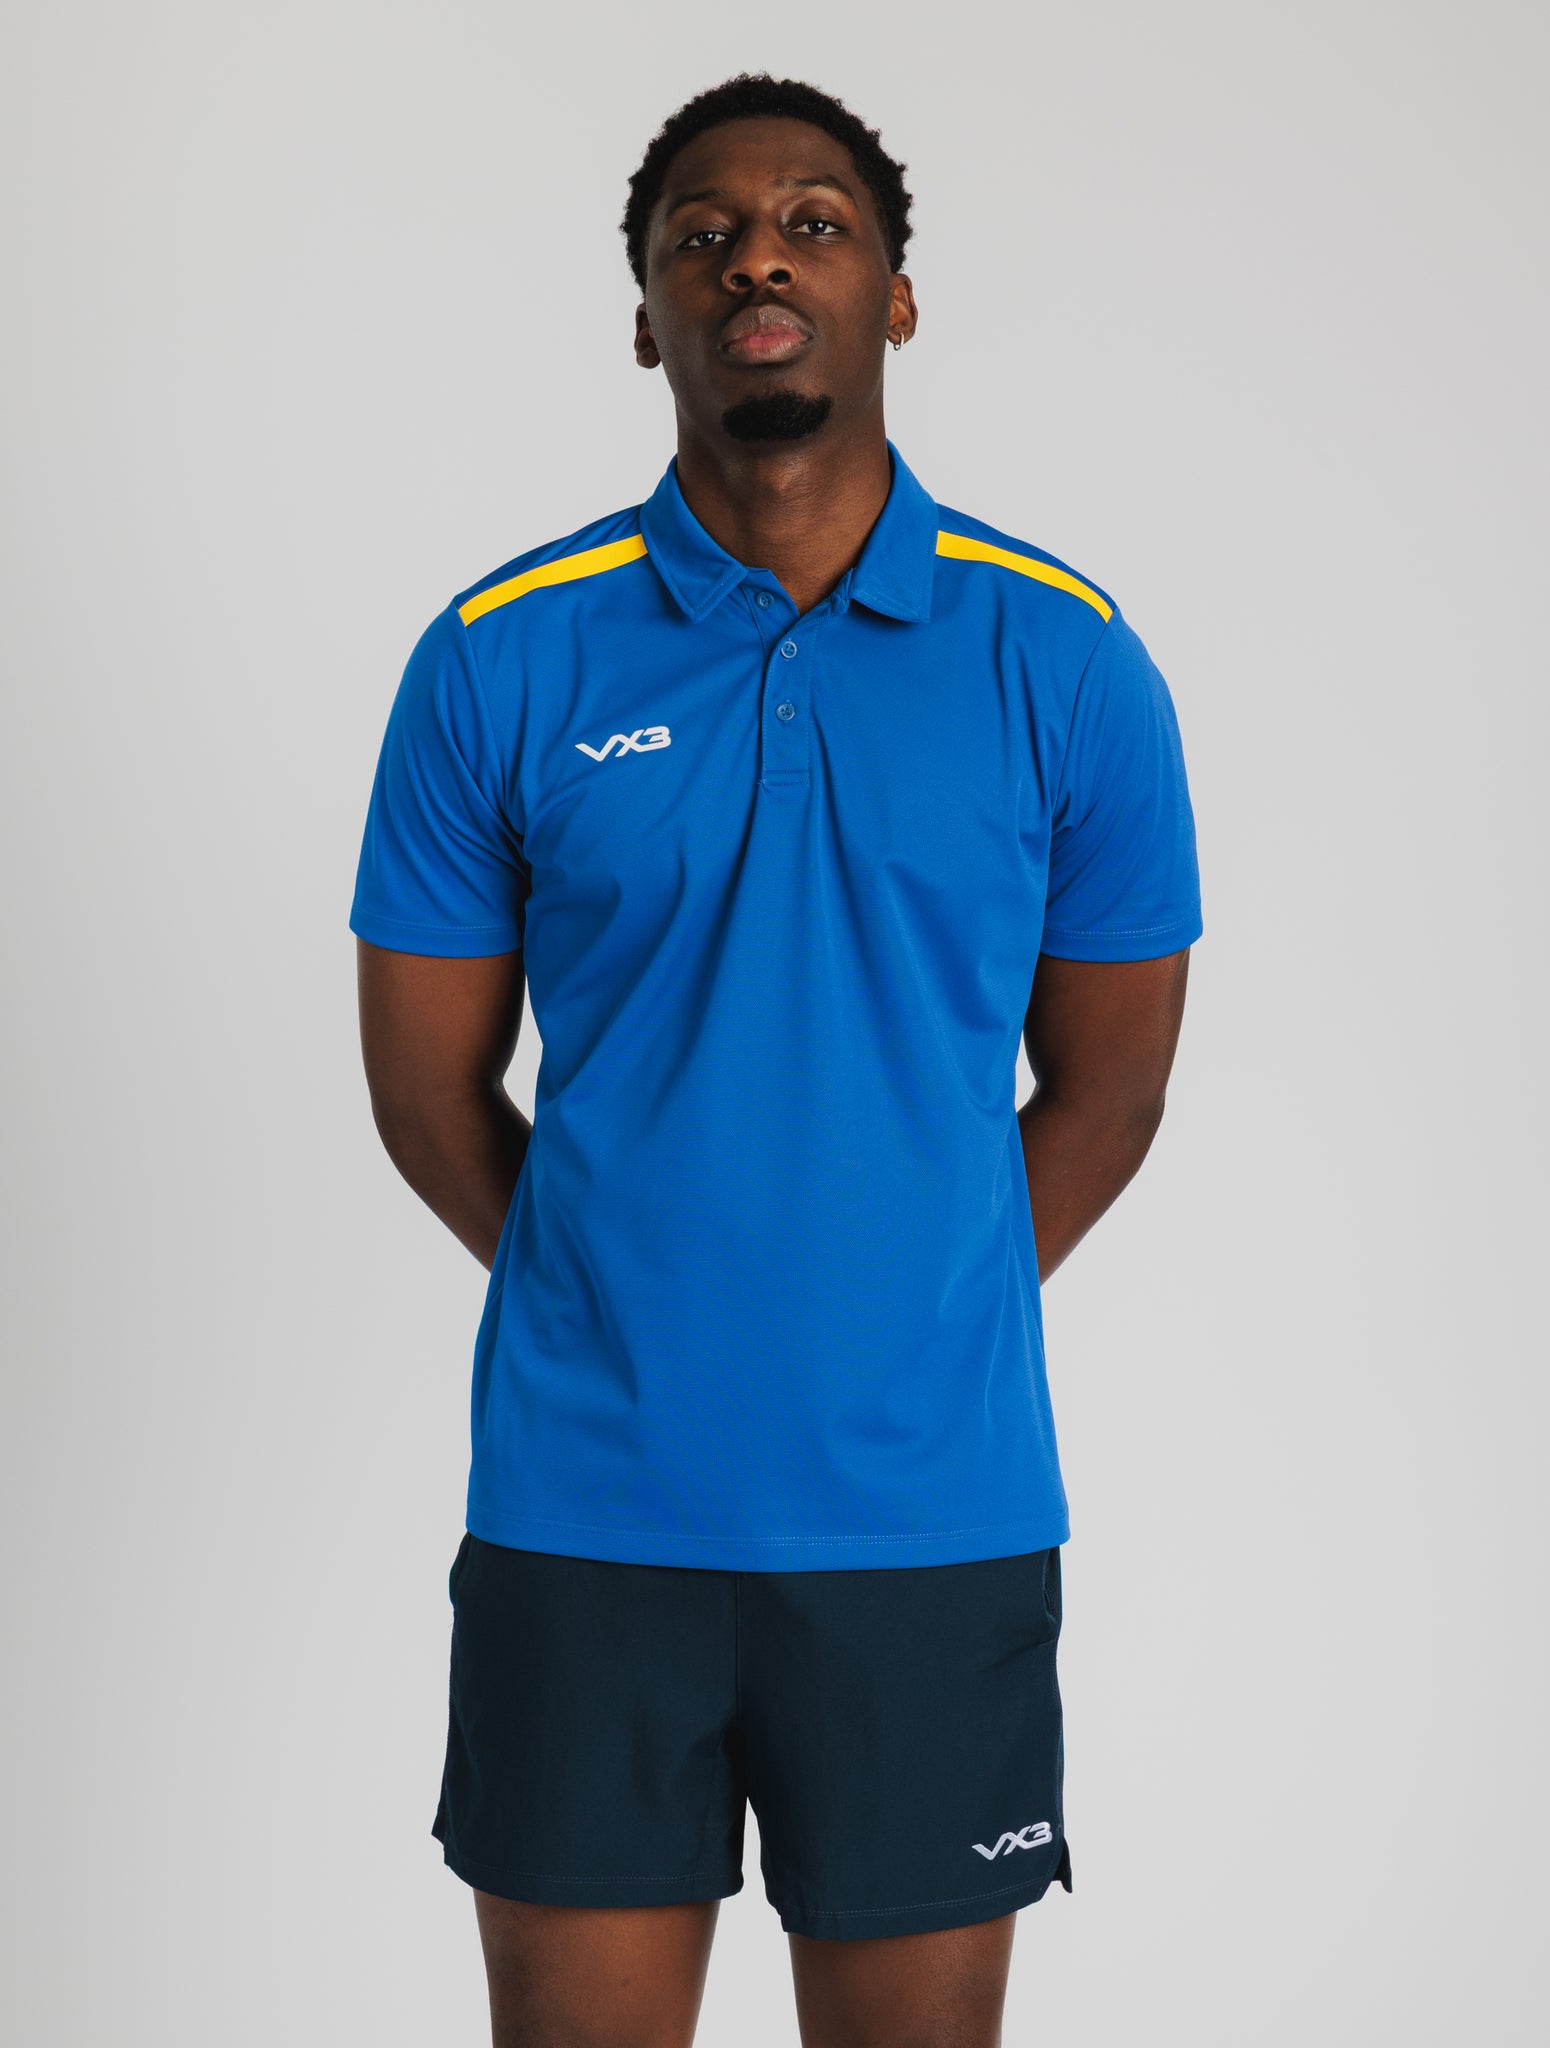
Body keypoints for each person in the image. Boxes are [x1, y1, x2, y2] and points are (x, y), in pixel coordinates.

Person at [350, 71, 1201, 2048]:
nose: (758, 258)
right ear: (647, 316)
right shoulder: (500, 654)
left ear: (893, 297)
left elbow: (1113, 1087)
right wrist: (621, 1290)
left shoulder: (1065, 657)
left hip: (929, 1525)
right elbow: (422, 1088)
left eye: (815, 223)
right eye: (703, 234)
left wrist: (907, 1299)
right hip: (586, 1520)